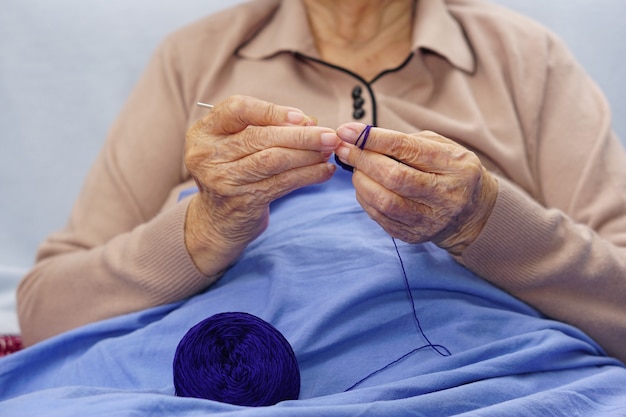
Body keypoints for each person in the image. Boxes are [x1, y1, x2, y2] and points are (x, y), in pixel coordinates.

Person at [16, 0, 626, 368]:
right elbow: (47, 311)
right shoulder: (193, 58)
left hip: (493, 378)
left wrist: (484, 219)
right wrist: (205, 229)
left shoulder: (527, 59)